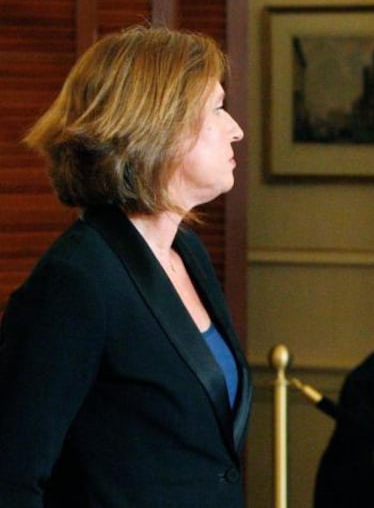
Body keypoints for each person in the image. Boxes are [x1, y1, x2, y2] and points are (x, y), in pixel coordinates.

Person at [0, 26, 251, 507]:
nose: (235, 127)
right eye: (217, 108)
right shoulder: (76, 281)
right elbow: (13, 477)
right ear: (160, 125)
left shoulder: (188, 252)